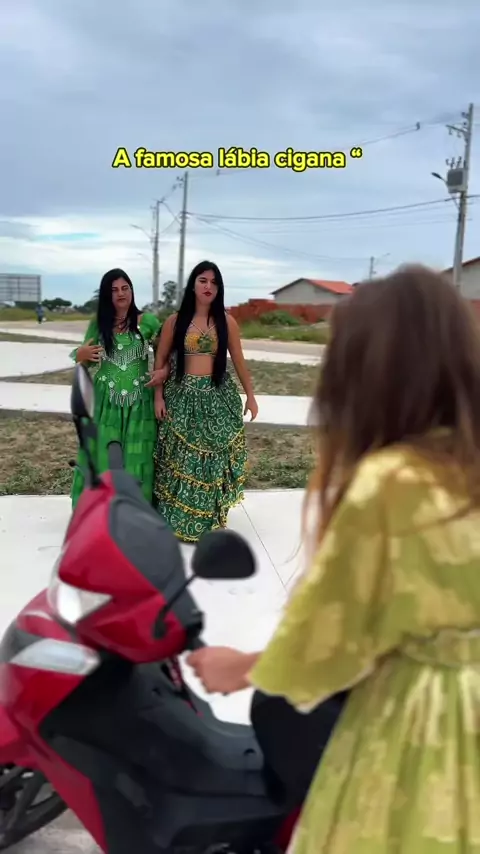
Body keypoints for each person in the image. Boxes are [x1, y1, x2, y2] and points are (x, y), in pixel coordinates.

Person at [188, 264, 480, 852]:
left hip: (420, 726)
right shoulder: (465, 469)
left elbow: (333, 636)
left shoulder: (391, 482)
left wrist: (239, 667)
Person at [147, 260, 258, 542]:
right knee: (180, 459)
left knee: (211, 459)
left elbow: (239, 361)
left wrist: (250, 396)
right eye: (203, 281)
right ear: (193, 285)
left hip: (215, 396)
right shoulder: (175, 321)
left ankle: (208, 519)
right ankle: (177, 519)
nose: (209, 287)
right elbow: (160, 359)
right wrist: (158, 397)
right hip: (181, 396)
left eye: (214, 282)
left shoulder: (226, 322)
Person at [70, 268, 161, 507]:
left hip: (140, 401)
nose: (121, 293)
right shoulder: (99, 323)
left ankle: (135, 508)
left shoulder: (148, 322)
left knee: (137, 455)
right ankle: (99, 509)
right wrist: (81, 354)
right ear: (106, 294)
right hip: (105, 402)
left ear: (132, 290)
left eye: (125, 288)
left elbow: (166, 354)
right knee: (103, 453)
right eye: (114, 290)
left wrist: (162, 375)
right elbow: (84, 358)